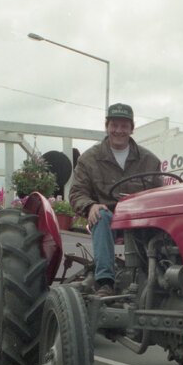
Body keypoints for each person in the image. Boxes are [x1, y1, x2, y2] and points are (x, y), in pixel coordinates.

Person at [69, 103, 164, 297]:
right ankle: (105, 282)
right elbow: (77, 192)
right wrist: (90, 206)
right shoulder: (89, 159)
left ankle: (161, 278)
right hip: (109, 219)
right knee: (101, 216)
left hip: (140, 219)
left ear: (132, 128)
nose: (119, 130)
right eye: (114, 125)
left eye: (124, 126)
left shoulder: (149, 160)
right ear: (107, 126)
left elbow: (160, 195)